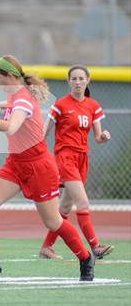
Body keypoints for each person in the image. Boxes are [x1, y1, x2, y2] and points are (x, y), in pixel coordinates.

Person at [0, 55, 95, 281]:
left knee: (53, 221)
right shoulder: (15, 95)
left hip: (38, 166)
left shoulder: (23, 99)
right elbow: (11, 105)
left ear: (11, 76)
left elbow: (12, 127)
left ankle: (85, 257)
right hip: (16, 163)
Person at [39, 65, 113, 260]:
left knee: (64, 208)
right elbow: (44, 132)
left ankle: (46, 247)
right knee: (83, 202)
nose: (78, 82)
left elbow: (97, 137)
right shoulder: (61, 104)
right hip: (65, 157)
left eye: (81, 78)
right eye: (74, 79)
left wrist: (104, 136)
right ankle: (95, 246)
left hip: (82, 159)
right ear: (68, 82)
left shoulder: (93, 105)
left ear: (87, 80)